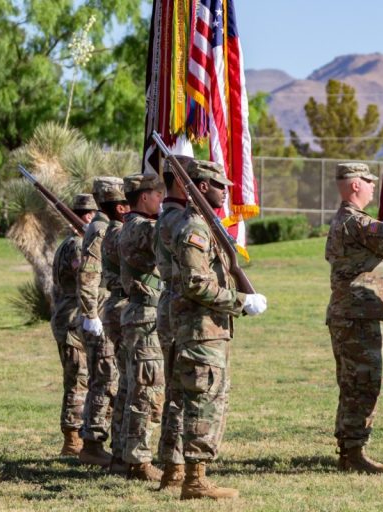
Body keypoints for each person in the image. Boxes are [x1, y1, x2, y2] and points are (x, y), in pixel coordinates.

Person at [170, 159, 267, 500]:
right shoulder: (195, 230)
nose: (226, 190)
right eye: (219, 185)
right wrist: (241, 301)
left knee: (208, 401)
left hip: (210, 330)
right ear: (201, 187)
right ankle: (194, 481)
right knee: (202, 403)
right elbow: (196, 284)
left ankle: (194, 475)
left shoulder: (207, 227)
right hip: (200, 331)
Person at [325, 162, 383, 475]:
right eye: (368, 181)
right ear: (355, 186)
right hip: (355, 316)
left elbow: (360, 266)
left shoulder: (346, 220)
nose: (373, 186)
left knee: (354, 383)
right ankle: (353, 452)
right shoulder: (357, 221)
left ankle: (350, 448)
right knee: (362, 384)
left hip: (353, 312)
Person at [118, 173, 166, 481]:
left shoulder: (132, 226)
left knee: (137, 387)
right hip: (144, 315)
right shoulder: (141, 229)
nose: (161, 201)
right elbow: (167, 241)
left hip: (143, 314)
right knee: (146, 390)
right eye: (158, 196)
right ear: (144, 197)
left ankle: (129, 453)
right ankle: (138, 460)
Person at [155, 155, 194, 490]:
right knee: (180, 392)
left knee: (174, 391)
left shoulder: (165, 215)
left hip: (170, 304)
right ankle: (175, 465)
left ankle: (172, 464)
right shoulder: (177, 218)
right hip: (180, 308)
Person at [78, 177, 122, 468]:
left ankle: (102, 440)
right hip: (101, 313)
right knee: (105, 379)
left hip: (106, 311)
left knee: (109, 377)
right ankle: (92, 443)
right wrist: (91, 313)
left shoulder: (101, 225)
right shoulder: (101, 228)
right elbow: (88, 274)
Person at [50, 193, 97, 456]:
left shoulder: (68, 242)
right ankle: (72, 439)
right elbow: (86, 277)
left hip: (67, 316)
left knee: (78, 377)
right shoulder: (78, 244)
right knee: (78, 379)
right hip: (72, 319)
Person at [96, 179, 131, 474]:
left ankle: (120, 451)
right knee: (134, 385)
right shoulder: (120, 233)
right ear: (121, 207)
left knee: (126, 384)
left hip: (116, 307)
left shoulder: (109, 231)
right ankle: (124, 452)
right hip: (124, 308)